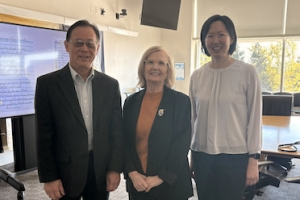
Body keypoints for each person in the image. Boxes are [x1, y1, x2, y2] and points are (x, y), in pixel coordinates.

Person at [35, 20, 125, 200]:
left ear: (97, 48)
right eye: (78, 43)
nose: (85, 49)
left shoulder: (110, 85)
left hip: (99, 169)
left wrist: (115, 168)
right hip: (65, 170)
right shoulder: (47, 84)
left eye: (90, 44)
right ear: (67, 46)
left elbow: (116, 131)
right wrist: (49, 177)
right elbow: (44, 135)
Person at [189, 15, 262, 200]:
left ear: (231, 38)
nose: (215, 40)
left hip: (234, 156)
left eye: (221, 34)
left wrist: (253, 160)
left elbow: (254, 119)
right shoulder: (197, 76)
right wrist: (190, 154)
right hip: (202, 155)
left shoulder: (247, 72)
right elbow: (192, 119)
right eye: (210, 35)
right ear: (204, 41)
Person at [123, 46, 193, 200]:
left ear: (168, 70)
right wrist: (132, 173)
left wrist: (161, 177)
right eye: (150, 62)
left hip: (170, 185)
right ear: (143, 67)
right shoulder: (131, 102)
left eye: (161, 63)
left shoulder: (180, 102)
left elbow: (182, 143)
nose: (155, 67)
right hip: (139, 184)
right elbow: (124, 142)